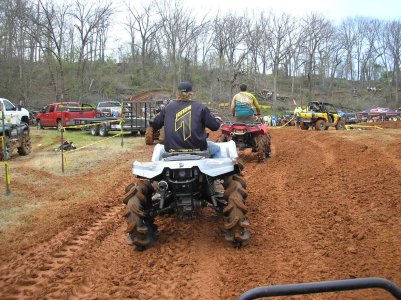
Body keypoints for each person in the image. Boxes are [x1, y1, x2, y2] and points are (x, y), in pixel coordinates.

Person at [152, 81, 221, 157]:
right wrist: (217, 120)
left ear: (177, 93)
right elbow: (215, 126)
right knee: (217, 149)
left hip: (172, 150)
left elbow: (155, 124)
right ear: (191, 93)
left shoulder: (168, 108)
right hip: (198, 149)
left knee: (158, 151)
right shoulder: (201, 107)